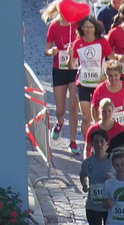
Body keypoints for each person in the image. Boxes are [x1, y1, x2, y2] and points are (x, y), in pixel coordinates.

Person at [45, 3, 81, 145]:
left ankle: (73, 141)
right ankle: (59, 122)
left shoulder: (77, 25)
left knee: (73, 107)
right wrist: (52, 51)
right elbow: (45, 49)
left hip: (74, 69)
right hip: (59, 70)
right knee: (60, 109)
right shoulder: (54, 26)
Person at [82, 127, 119, 225]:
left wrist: (112, 180)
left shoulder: (113, 161)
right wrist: (84, 185)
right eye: (96, 142)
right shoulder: (87, 163)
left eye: (102, 142)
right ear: (92, 145)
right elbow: (82, 175)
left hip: (109, 206)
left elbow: (122, 178)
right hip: (93, 207)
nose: (99, 145)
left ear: (107, 144)